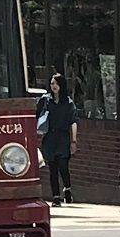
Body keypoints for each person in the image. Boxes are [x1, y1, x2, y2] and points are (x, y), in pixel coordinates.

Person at [37, 72, 79, 207]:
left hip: (63, 137)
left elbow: (73, 121)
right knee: (52, 168)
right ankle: (56, 196)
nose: (53, 86)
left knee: (63, 166)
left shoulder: (68, 102)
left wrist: (73, 141)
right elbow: (36, 116)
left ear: (61, 85)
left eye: (56, 83)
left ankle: (67, 189)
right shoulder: (45, 100)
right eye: (51, 84)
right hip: (49, 137)